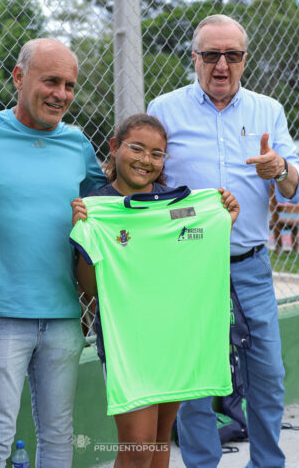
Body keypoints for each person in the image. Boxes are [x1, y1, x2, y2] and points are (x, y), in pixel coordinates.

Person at [147, 14, 299, 468]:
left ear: (244, 59)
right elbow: (147, 177)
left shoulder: (268, 110)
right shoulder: (164, 109)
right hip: (187, 265)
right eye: (211, 55)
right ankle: (202, 464)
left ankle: (267, 463)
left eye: (232, 55)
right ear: (194, 58)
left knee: (268, 375)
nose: (222, 65)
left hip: (249, 266)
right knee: (196, 383)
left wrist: (280, 168)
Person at [0, 38, 106, 468]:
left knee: (59, 433)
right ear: (19, 77)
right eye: (50, 81)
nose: (61, 94)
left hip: (65, 314)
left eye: (69, 85)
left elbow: (108, 206)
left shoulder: (78, 144)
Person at [70, 113, 239, 468]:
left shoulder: (180, 205)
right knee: (138, 446)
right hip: (128, 343)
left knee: (161, 437)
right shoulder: (98, 207)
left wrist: (222, 218)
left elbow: (196, 250)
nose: (146, 160)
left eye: (157, 153)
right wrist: (84, 236)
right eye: (137, 148)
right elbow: (91, 288)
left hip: (175, 337)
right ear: (114, 148)